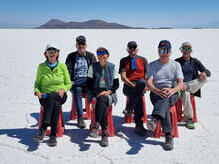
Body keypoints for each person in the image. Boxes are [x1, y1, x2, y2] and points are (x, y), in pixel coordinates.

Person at [147, 40, 183, 151]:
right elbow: (149, 82)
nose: (164, 53)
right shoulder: (152, 65)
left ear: (170, 52)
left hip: (173, 93)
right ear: (158, 51)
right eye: (162, 50)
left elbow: (180, 83)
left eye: (166, 50)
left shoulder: (175, 65)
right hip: (156, 93)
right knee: (164, 100)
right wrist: (157, 91)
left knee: (166, 97)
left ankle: (155, 119)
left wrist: (172, 90)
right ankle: (168, 136)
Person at [34, 43, 72, 147]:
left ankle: (43, 127)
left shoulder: (62, 66)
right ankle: (53, 136)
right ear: (45, 54)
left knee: (54, 98)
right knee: (55, 104)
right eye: (49, 51)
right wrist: (37, 92)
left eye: (54, 51)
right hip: (44, 96)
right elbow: (37, 83)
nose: (52, 53)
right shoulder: (41, 67)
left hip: (60, 95)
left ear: (58, 53)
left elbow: (68, 83)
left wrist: (63, 89)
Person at [87, 47, 119, 147]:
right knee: (102, 102)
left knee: (102, 100)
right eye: (99, 54)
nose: (101, 56)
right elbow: (89, 84)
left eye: (103, 53)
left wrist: (108, 91)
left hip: (109, 93)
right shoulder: (92, 67)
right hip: (95, 92)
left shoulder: (112, 67)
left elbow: (116, 85)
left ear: (107, 55)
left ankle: (96, 125)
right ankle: (104, 133)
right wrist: (97, 93)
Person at [175, 42, 211, 129]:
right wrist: (179, 85)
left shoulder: (195, 61)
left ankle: (186, 87)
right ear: (181, 50)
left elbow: (208, 72)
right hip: (180, 87)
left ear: (191, 51)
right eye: (184, 49)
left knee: (204, 79)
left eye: (188, 49)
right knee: (186, 94)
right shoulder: (177, 62)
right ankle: (189, 119)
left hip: (192, 86)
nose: (186, 51)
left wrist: (203, 73)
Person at [65, 35, 96, 128]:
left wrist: (72, 83)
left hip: (87, 84)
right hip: (75, 82)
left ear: (86, 45)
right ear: (76, 45)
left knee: (86, 78)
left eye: (83, 44)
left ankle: (74, 84)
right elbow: (67, 71)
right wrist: (70, 80)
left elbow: (95, 71)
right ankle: (80, 118)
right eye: (79, 44)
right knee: (77, 90)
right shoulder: (71, 56)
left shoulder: (91, 56)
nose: (81, 46)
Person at [119, 41, 148, 136]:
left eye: (134, 48)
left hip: (141, 83)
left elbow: (147, 76)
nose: (132, 50)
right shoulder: (123, 61)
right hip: (129, 86)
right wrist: (132, 85)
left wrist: (147, 86)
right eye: (130, 48)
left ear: (137, 49)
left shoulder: (143, 60)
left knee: (141, 84)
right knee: (138, 95)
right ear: (127, 49)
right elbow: (123, 77)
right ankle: (139, 124)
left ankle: (129, 109)